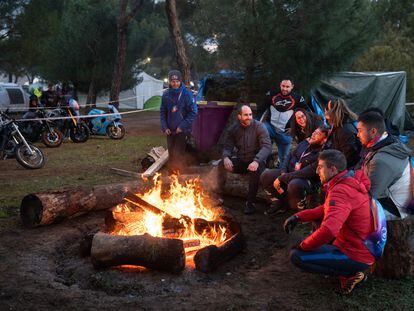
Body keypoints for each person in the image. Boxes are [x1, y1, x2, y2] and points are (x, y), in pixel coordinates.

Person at [285, 150, 375, 294]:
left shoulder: (341, 190)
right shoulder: (350, 181)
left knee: (297, 256)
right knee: (309, 243)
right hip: (363, 248)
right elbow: (326, 208)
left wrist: (304, 245)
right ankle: (351, 269)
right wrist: (299, 217)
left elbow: (329, 230)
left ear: (332, 169)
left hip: (354, 253)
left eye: (320, 167)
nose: (316, 171)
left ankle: (350, 273)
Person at [260, 125, 329, 214]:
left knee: (294, 184)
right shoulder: (306, 142)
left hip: (305, 180)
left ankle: (301, 212)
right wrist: (283, 171)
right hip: (289, 172)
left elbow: (304, 173)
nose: (313, 134)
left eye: (318, 134)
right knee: (266, 175)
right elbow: (289, 155)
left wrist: (283, 177)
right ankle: (279, 203)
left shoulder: (321, 154)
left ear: (324, 140)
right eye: (314, 132)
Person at [356, 110, 412, 219]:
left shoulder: (381, 159)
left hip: (395, 209)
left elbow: (369, 195)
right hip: (387, 197)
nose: (357, 135)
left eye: (360, 130)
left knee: (351, 214)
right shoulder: (384, 143)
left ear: (373, 131)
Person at [219, 105, 271, 214]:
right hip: (242, 161)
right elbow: (227, 146)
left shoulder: (259, 126)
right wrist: (226, 157)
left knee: (255, 170)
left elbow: (267, 147)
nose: (249, 117)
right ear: (239, 116)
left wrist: (256, 161)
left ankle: (250, 203)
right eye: (246, 115)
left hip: (257, 161)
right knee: (221, 164)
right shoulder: (234, 129)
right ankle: (219, 196)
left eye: (250, 114)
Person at [261, 78, 307, 167]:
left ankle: (281, 178)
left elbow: (306, 113)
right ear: (280, 85)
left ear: (292, 87)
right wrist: (256, 125)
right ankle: (261, 168)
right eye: (283, 86)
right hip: (270, 127)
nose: (285, 89)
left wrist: (295, 129)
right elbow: (261, 109)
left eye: (287, 87)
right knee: (263, 149)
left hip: (285, 132)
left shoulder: (298, 98)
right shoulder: (272, 94)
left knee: (284, 159)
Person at [160, 70, 197, 173]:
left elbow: (193, 112)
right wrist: (164, 127)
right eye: (172, 81)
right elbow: (163, 112)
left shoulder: (187, 94)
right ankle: (172, 181)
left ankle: (179, 178)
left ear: (180, 81)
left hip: (183, 130)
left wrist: (182, 126)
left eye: (177, 81)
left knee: (178, 155)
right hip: (170, 131)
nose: (175, 83)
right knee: (172, 155)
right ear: (169, 82)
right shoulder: (166, 94)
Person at [324, 98, 361, 168]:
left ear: (332, 112)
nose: (325, 110)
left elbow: (349, 156)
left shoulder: (344, 130)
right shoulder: (339, 126)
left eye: (327, 108)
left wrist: (336, 169)